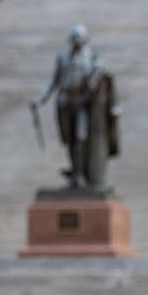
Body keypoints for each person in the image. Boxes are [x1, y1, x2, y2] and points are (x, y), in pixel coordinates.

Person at [31, 24, 119, 190]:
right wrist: (40, 99)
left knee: (81, 137)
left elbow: (103, 72)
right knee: (70, 139)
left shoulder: (92, 57)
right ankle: (75, 173)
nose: (77, 42)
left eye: (80, 39)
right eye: (74, 39)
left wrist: (96, 75)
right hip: (65, 102)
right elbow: (54, 81)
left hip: (82, 103)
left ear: (85, 40)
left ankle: (83, 174)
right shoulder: (63, 58)